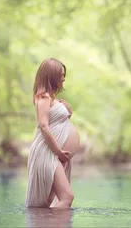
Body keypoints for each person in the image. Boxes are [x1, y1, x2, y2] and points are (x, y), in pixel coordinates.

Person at [25, 58, 80, 209]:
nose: (64, 78)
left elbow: (57, 123)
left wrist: (65, 109)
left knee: (46, 202)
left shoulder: (51, 98)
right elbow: (43, 126)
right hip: (48, 153)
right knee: (67, 198)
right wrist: (58, 152)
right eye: (61, 74)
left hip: (55, 154)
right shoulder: (43, 96)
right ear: (52, 76)